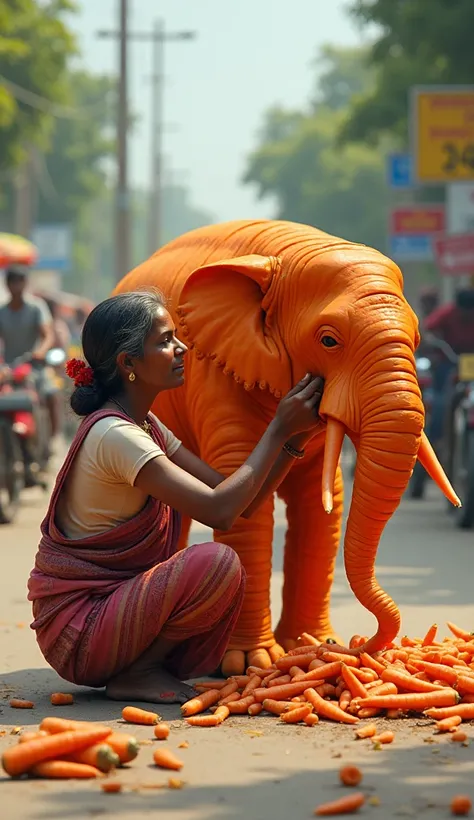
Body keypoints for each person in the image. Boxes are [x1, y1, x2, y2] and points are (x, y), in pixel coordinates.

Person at [28, 290, 325, 704]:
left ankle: (144, 664)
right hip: (80, 631)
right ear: (128, 363)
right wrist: (277, 430)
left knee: (219, 566)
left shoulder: (146, 425)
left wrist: (295, 440)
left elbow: (239, 501)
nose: (181, 348)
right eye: (166, 341)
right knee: (217, 562)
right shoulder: (117, 435)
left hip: (111, 615)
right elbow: (221, 512)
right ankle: (139, 671)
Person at [0, 266, 59, 440]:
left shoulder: (36, 307)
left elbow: (48, 335)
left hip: (33, 366)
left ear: (25, 283)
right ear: (7, 284)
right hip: (9, 369)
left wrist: (40, 352)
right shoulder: (2, 312)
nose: (16, 286)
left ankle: (52, 439)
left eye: (20, 282)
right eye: (13, 282)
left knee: (51, 395)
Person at [423, 286, 474, 447]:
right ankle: (436, 438)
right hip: (450, 361)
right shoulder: (447, 313)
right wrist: (434, 341)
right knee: (441, 401)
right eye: (463, 312)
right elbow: (428, 328)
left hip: (471, 362)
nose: (467, 315)